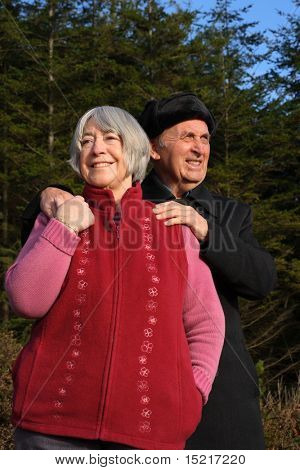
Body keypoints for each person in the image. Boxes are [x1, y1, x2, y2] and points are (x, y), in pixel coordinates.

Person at [22, 93, 277, 449]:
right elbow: (51, 238)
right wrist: (47, 195)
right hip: (135, 402)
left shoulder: (230, 213)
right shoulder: (123, 199)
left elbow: (263, 279)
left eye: (204, 139)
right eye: (187, 137)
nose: (199, 148)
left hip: (221, 397)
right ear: (153, 149)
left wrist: (207, 232)